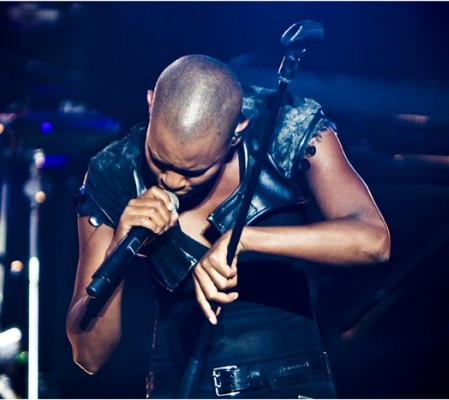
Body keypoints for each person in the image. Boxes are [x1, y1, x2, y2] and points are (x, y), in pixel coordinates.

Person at [66, 54, 390, 399]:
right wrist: (120, 246)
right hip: (182, 389)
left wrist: (245, 239)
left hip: (292, 384)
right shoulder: (113, 171)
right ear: (150, 105)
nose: (172, 181)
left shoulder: (286, 125)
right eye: (159, 160)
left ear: (237, 133)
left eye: (194, 171)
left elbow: (373, 241)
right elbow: (88, 356)